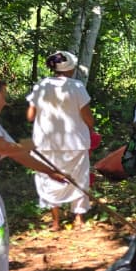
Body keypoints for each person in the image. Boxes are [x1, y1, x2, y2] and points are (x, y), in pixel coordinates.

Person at [0, 76, 69, 271]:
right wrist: (25, 145)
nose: (5, 102)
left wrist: (49, 170)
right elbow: (2, 147)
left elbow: (17, 154)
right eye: (3, 96)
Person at [26, 50, 94, 231]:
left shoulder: (40, 86)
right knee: (78, 179)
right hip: (75, 142)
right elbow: (88, 117)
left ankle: (55, 221)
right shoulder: (77, 87)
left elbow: (30, 116)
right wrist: (90, 125)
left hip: (45, 143)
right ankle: (78, 218)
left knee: (48, 179)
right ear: (70, 69)